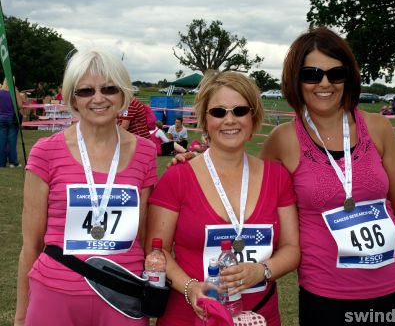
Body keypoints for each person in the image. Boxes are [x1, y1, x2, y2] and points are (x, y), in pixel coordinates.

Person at [259, 27, 395, 325]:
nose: (324, 83)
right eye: (312, 74)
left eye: (335, 73)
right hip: (326, 296)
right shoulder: (283, 139)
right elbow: (248, 191)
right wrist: (190, 161)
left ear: (348, 76)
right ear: (296, 79)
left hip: (394, 288)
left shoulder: (379, 128)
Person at [14, 47, 158, 326]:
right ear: (73, 99)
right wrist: (20, 315)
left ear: (123, 94)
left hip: (122, 297)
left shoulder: (145, 151)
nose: (99, 98)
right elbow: (30, 244)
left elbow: (141, 236)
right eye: (86, 91)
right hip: (55, 294)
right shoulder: (46, 152)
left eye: (109, 88)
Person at [146, 71, 300, 326]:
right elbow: (157, 251)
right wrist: (190, 287)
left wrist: (261, 271)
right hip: (190, 316)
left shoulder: (278, 177)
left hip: (260, 316)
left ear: (253, 116)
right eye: (219, 112)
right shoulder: (178, 177)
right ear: (205, 120)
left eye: (239, 110)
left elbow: (292, 248)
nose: (230, 120)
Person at [0, 78, 23, 168]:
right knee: (12, 141)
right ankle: (13, 162)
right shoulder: (14, 92)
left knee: (2, 141)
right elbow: (20, 105)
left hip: (1, 119)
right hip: (12, 119)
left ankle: (1, 163)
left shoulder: (0, 92)